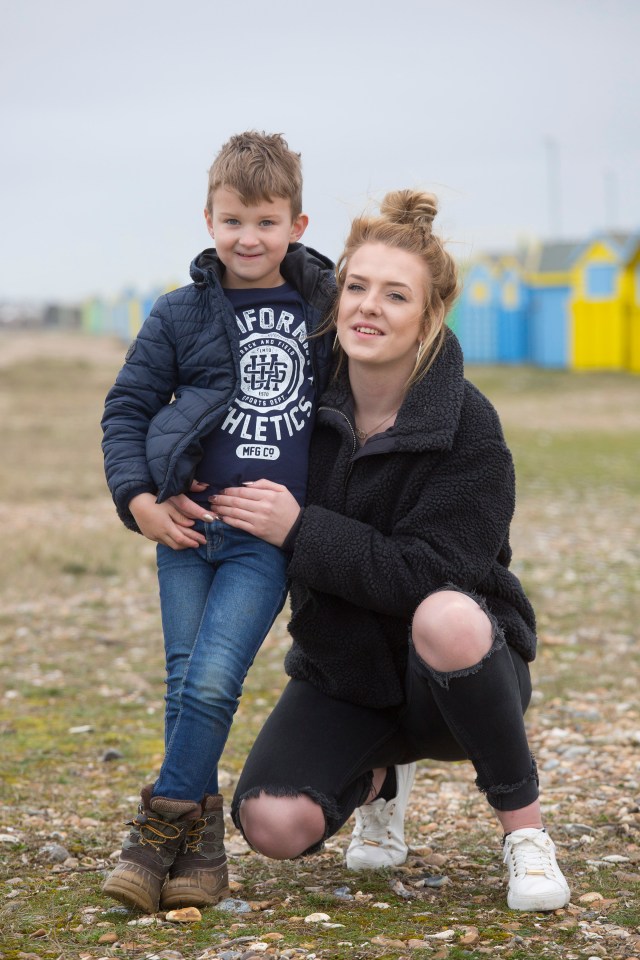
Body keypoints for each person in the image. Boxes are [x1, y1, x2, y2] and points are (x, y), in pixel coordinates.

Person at [206, 189, 571, 912]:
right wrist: (156, 488)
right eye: (357, 287)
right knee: (272, 824)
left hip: (456, 677)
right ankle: (378, 779)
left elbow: (434, 573)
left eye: (395, 294)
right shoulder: (298, 403)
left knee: (447, 614)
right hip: (344, 673)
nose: (368, 307)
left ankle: (526, 837)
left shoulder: (468, 426)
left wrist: (299, 529)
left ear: (429, 317)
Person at [100, 132, 335, 913]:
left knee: (210, 682)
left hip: (263, 541)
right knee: (182, 684)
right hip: (187, 531)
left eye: (267, 221)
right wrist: (140, 500)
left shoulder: (324, 313)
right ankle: (199, 859)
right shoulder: (179, 314)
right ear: (208, 219)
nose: (249, 238)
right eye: (233, 220)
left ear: (297, 224)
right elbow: (128, 408)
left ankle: (152, 833)